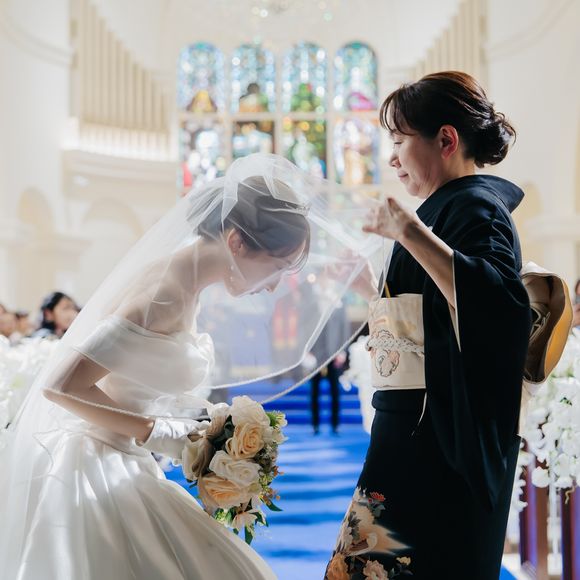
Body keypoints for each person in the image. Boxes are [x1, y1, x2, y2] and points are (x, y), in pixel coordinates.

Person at [0, 154, 382, 580]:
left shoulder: (184, 283)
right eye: (275, 267)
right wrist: (165, 434)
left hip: (128, 457)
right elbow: (61, 386)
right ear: (236, 242)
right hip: (96, 466)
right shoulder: (165, 294)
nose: (274, 284)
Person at [325, 72, 532, 579]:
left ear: (446, 140)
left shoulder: (476, 207)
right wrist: (369, 283)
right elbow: (427, 315)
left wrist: (410, 232)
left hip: (440, 445)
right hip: (412, 431)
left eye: (399, 141)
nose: (392, 159)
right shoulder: (447, 209)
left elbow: (500, 310)